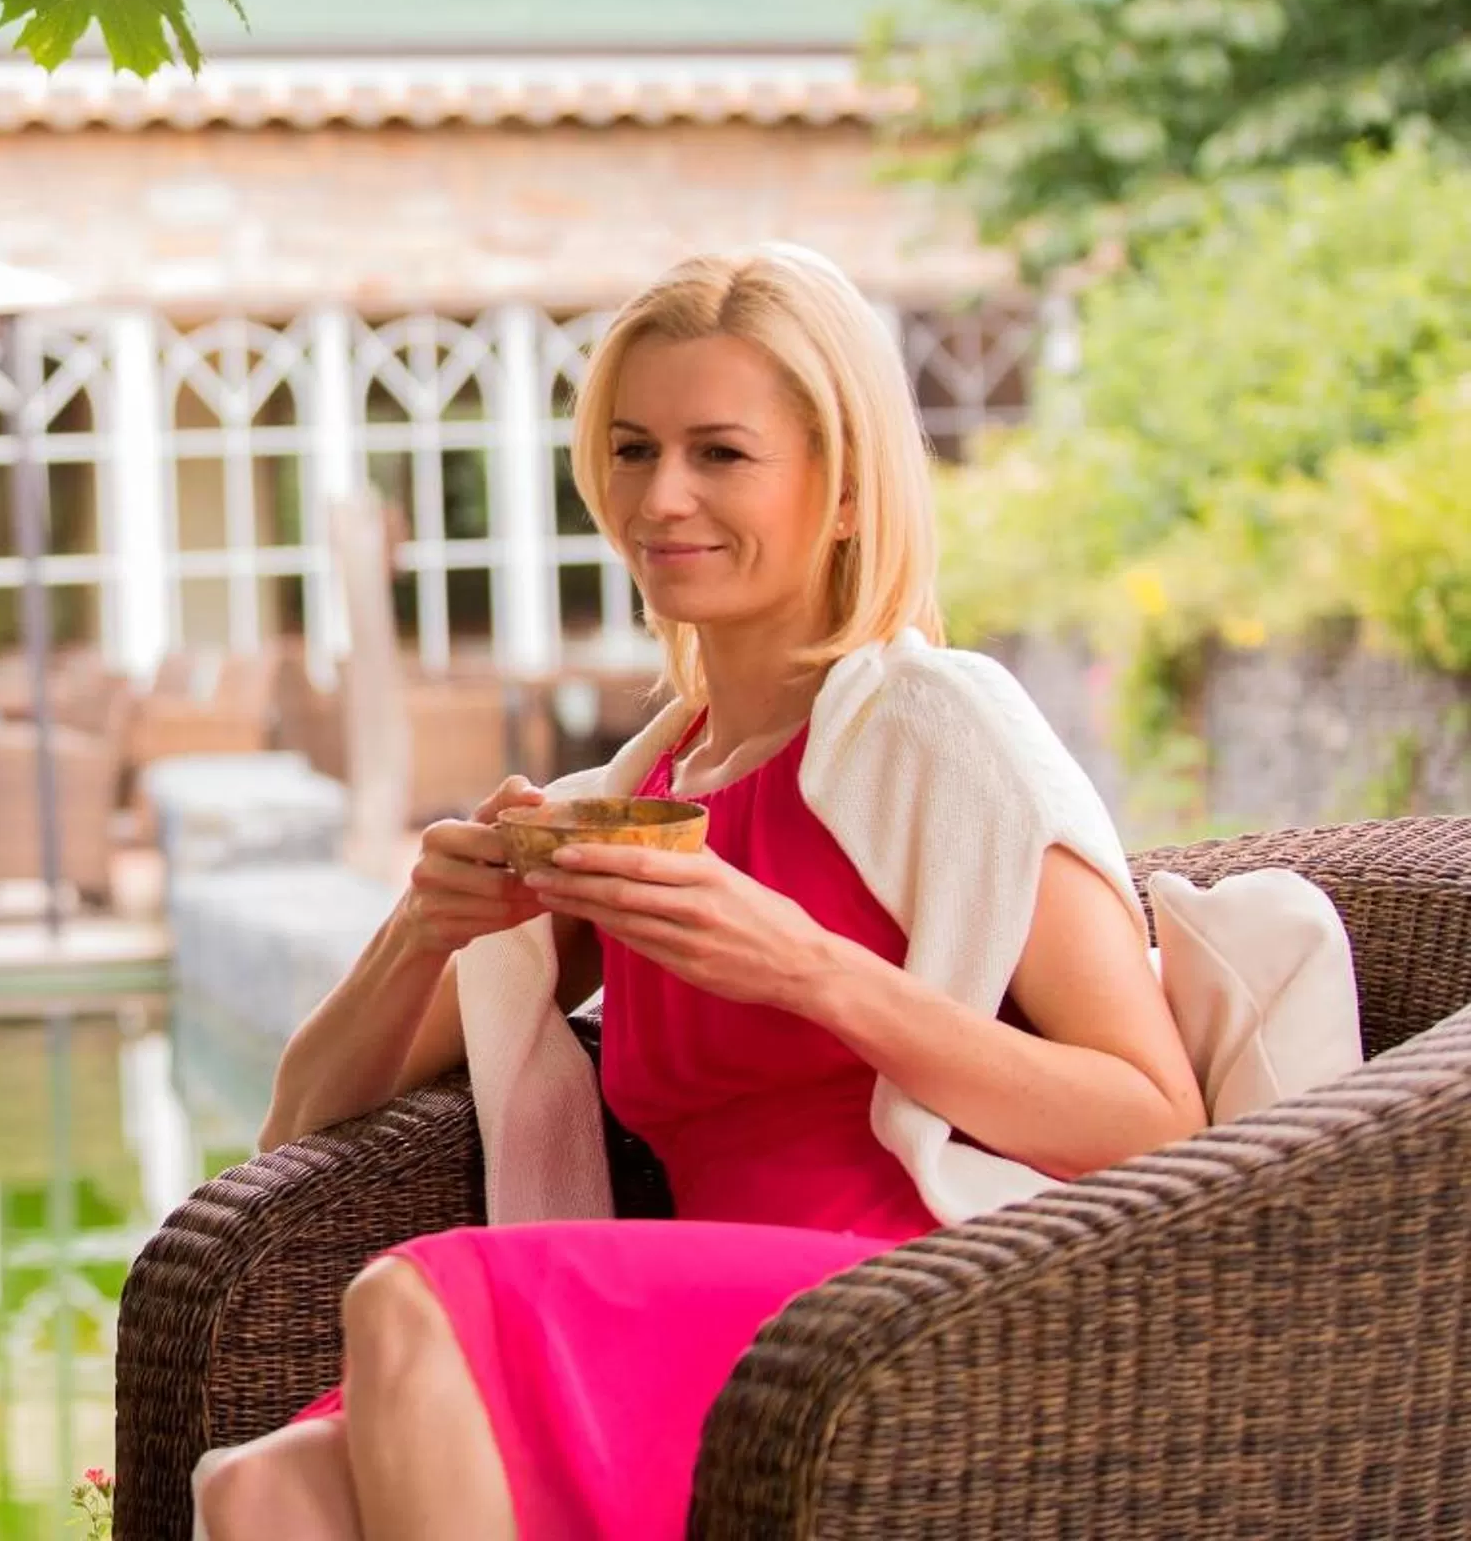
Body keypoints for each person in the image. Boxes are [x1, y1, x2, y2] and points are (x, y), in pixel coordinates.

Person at [197, 247, 1208, 1541]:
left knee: (414, 1300)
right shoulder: (637, 798)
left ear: (845, 491)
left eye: (721, 453)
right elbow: (296, 1128)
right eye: (633, 451)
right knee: (258, 1488)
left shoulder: (935, 726)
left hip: (913, 1310)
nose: (662, 497)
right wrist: (421, 929)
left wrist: (812, 969)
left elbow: (1156, 1123)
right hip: (712, 1324)